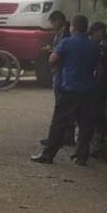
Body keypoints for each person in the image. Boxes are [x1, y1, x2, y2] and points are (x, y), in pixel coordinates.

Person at [31, 15, 100, 166]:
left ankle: (48, 155)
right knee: (85, 124)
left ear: (72, 27)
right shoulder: (93, 45)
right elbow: (96, 64)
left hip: (69, 88)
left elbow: (53, 59)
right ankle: (81, 156)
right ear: (86, 28)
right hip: (88, 90)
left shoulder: (67, 42)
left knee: (59, 123)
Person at [39, 10, 75, 147]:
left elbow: (60, 51)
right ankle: (66, 136)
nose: (52, 25)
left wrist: (52, 52)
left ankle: (59, 138)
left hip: (60, 71)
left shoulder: (64, 34)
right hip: (59, 71)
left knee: (61, 106)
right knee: (64, 106)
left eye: (53, 22)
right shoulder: (62, 32)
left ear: (58, 20)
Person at [89, 21, 107, 159]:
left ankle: (99, 147)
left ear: (99, 32)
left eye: (94, 34)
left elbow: (101, 68)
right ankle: (98, 145)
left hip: (99, 86)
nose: (92, 37)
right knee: (97, 115)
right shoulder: (106, 45)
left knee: (97, 115)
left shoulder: (103, 47)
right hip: (101, 85)